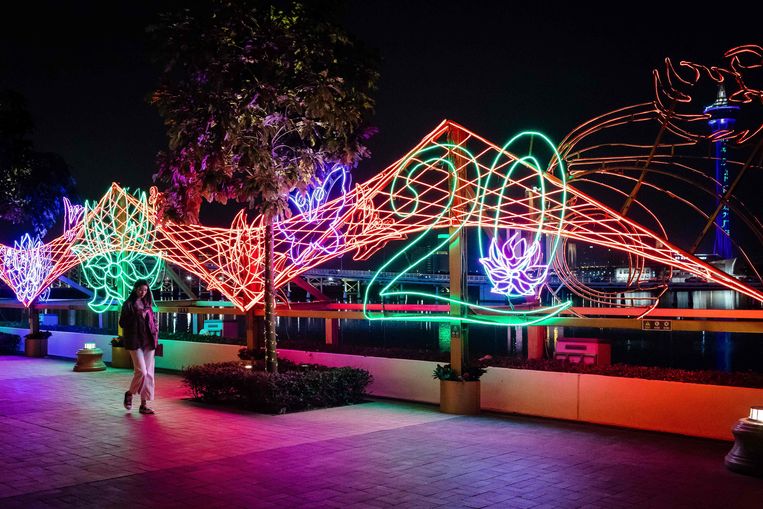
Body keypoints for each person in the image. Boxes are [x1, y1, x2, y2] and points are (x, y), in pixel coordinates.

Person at [118, 279, 159, 415]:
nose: (143, 292)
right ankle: (129, 393)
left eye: (145, 290)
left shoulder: (148, 304)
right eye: (140, 289)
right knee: (141, 372)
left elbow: (153, 321)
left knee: (149, 374)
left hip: (149, 342)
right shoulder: (128, 304)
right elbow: (122, 323)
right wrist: (136, 315)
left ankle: (144, 405)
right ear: (135, 289)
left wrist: (155, 331)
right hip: (135, 342)